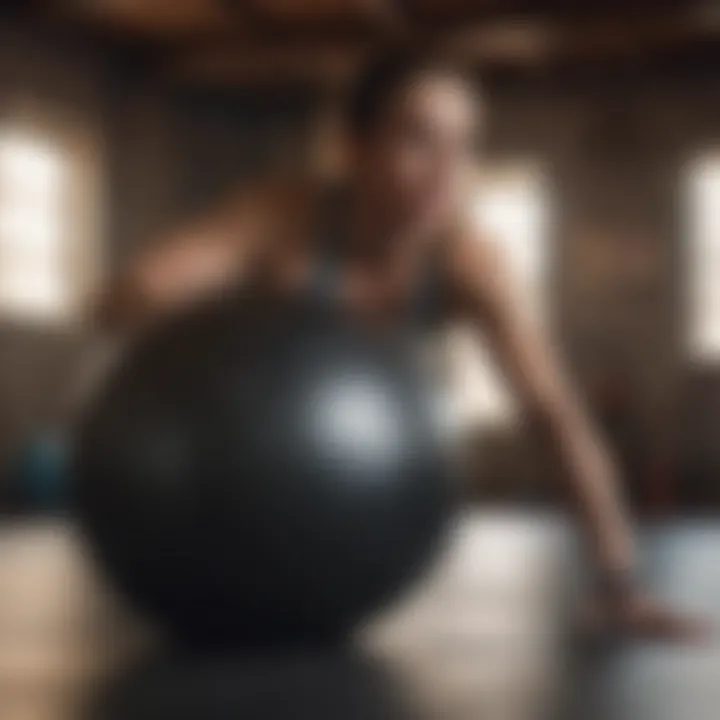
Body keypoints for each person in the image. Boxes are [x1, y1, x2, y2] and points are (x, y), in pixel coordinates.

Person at [97, 47, 703, 640]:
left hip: (347, 508)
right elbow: (124, 301)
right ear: (354, 148)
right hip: (230, 473)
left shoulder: (471, 263)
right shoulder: (283, 217)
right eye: (417, 140)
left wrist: (620, 584)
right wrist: (219, 306)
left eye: (462, 146)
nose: (446, 172)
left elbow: (554, 415)